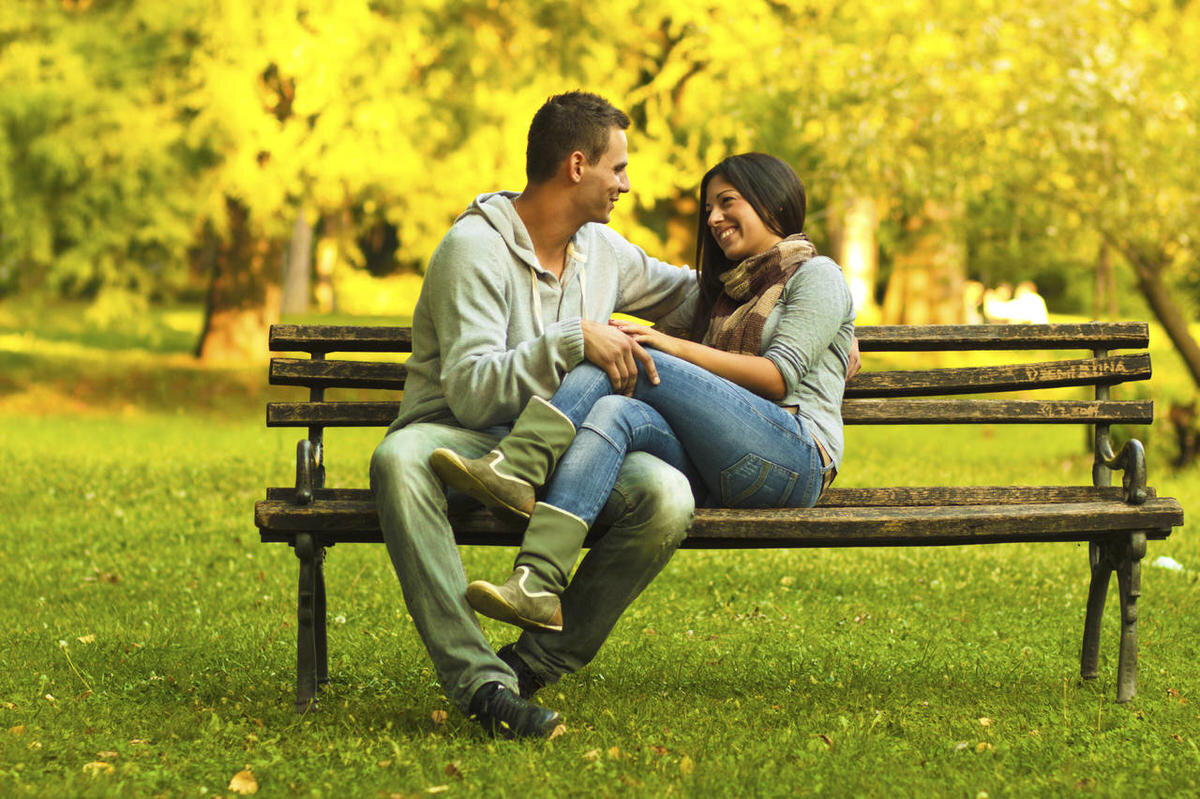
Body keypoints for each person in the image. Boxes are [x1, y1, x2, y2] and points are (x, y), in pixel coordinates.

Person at [369, 91, 700, 739]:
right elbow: (468, 391)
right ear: (577, 165)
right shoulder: (474, 249)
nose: (626, 185)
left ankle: (528, 666)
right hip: (463, 438)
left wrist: (809, 299)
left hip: (559, 445)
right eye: (618, 169)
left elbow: (696, 292)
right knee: (397, 458)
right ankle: (481, 683)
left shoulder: (602, 251)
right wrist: (574, 338)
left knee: (666, 494)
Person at [431, 153, 856, 635]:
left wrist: (671, 347)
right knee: (614, 405)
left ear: (772, 202)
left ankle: (521, 464)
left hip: (796, 457)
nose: (713, 218)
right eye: (708, 208)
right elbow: (660, 312)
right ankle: (537, 583)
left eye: (727, 202)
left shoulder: (818, 276)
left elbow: (778, 376)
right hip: (725, 463)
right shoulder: (724, 293)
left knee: (618, 353)